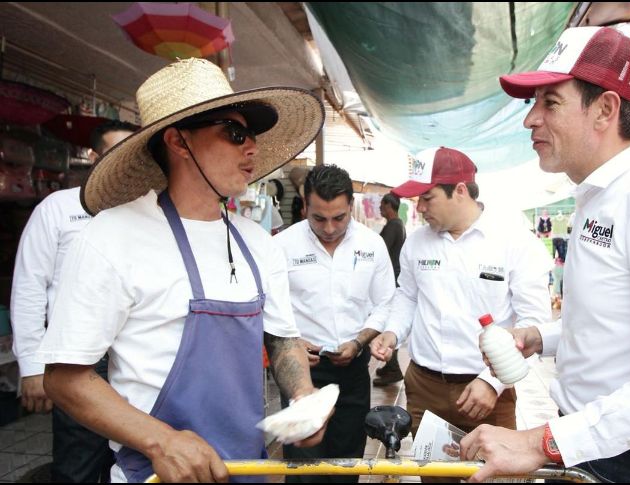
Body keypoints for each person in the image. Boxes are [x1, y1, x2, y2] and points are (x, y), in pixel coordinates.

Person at [459, 26, 630, 483]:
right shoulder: (597, 196)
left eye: (549, 102)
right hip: (595, 445)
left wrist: (539, 441)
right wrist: (540, 338)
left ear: (605, 109)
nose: (530, 120)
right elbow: (619, 322)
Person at [34, 58, 329, 483]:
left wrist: (302, 393)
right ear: (178, 141)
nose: (252, 148)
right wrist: (161, 442)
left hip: (247, 470)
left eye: (251, 135)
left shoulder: (259, 243)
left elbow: (282, 338)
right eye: (235, 133)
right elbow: (64, 378)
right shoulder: (113, 236)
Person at [370, 146, 552, 483]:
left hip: (487, 393)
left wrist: (491, 382)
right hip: (425, 388)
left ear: (460, 191)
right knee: (436, 478)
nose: (419, 208)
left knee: (492, 477)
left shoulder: (513, 241)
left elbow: (533, 324)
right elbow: (407, 297)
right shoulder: (417, 243)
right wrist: (392, 333)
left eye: (427, 198)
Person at [10, 119, 135, 482]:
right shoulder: (58, 208)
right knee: (78, 463)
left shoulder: (146, 210)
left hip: (133, 358)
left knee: (130, 462)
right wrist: (32, 366)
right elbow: (30, 286)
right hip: (78, 361)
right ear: (94, 156)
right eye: (115, 151)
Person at [274, 164, 395, 483]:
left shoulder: (371, 245)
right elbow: (270, 308)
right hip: (302, 370)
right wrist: (293, 341)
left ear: (351, 207)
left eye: (339, 218)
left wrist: (359, 342)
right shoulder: (282, 247)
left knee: (347, 460)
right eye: (319, 218)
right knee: (304, 466)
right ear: (304, 206)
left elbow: (385, 302)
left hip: (353, 370)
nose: (329, 228)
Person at [373, 192, 406, 387]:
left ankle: (393, 368)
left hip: (391, 279)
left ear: (389, 207)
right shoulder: (397, 224)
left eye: (382, 206)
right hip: (392, 277)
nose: (380, 209)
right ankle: (390, 366)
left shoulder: (394, 225)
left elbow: (382, 250)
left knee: (388, 324)